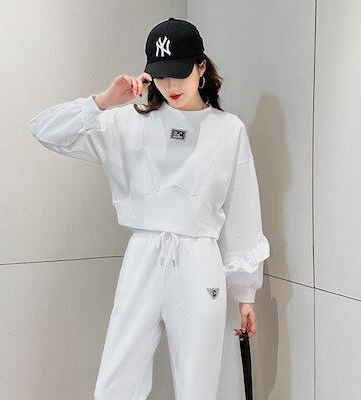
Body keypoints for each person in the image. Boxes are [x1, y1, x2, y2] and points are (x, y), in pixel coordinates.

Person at [29, 17, 270, 400]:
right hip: (143, 257)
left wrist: (245, 292)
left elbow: (243, 210)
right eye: (161, 75)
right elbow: (44, 130)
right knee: (117, 382)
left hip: (199, 263)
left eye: (180, 73)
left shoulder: (228, 130)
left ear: (201, 67)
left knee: (198, 384)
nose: (170, 85)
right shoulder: (126, 123)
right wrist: (103, 101)